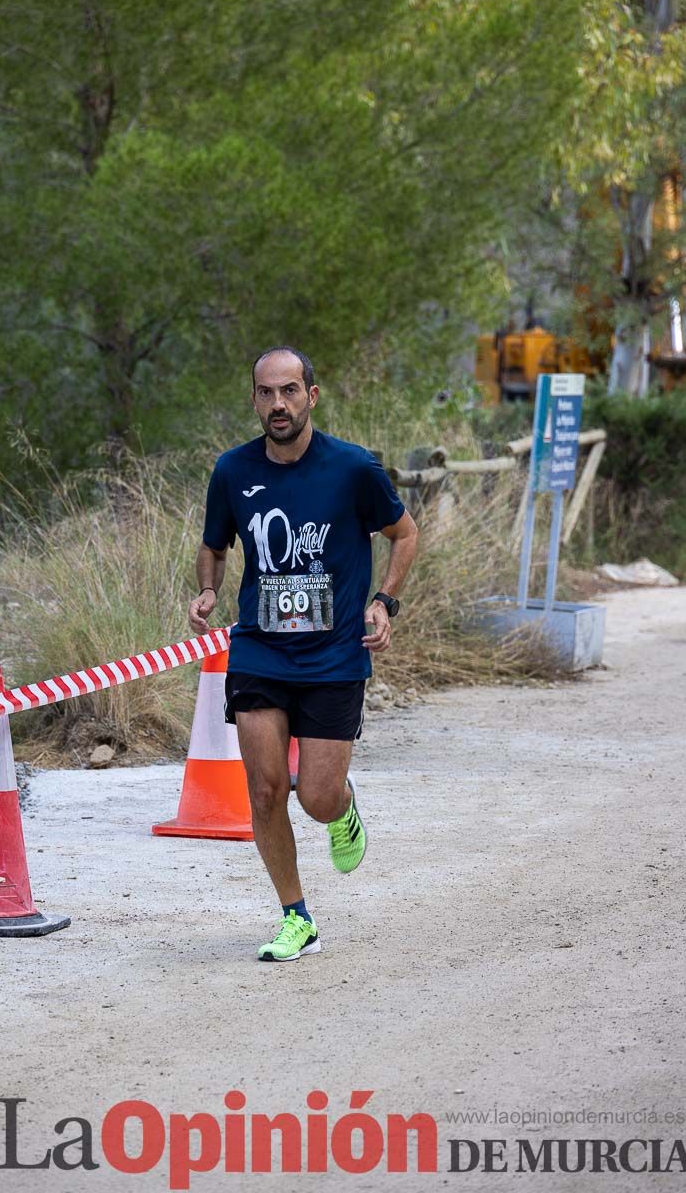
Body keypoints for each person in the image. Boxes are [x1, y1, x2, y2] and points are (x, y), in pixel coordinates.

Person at [189, 346, 418, 961]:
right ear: (255, 400)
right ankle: (296, 916)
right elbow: (214, 544)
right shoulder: (232, 470)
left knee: (315, 797)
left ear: (311, 396)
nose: (278, 404)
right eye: (266, 393)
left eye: (289, 391)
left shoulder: (352, 468)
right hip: (260, 651)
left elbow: (404, 533)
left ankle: (342, 808)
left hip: (334, 656)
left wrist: (384, 601)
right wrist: (209, 588)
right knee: (263, 791)